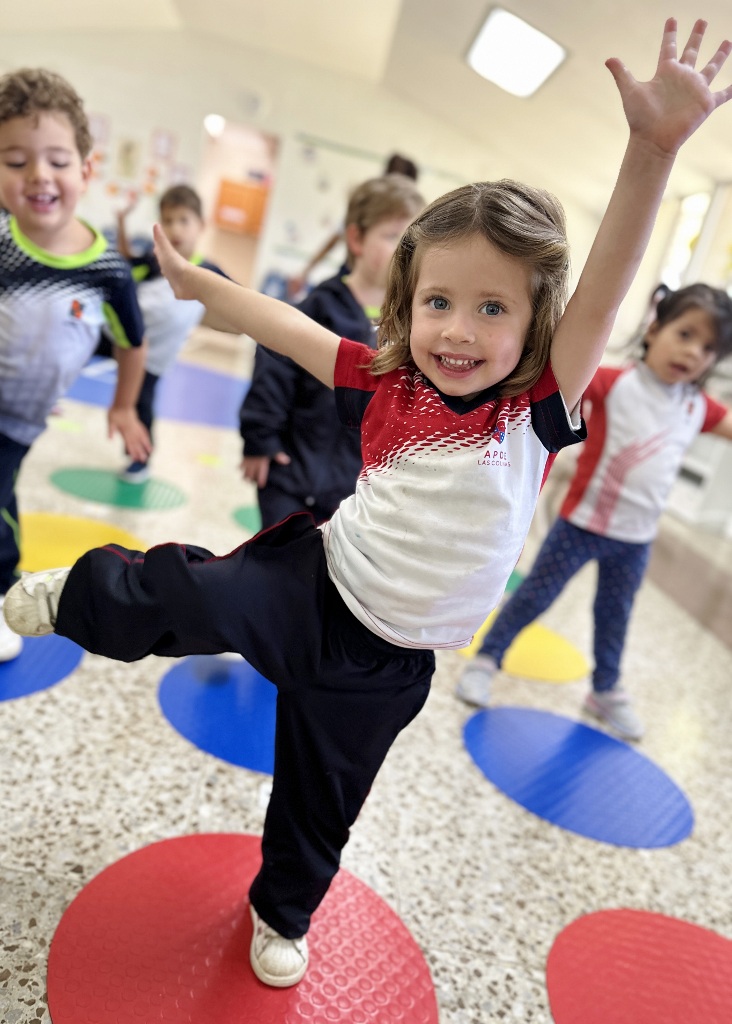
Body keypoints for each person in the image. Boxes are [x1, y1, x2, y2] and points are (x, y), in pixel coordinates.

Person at [5, 19, 731, 988]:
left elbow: (601, 292)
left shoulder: (531, 411)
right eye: (438, 302)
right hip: (316, 582)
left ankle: (281, 911)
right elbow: (287, 327)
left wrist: (653, 153)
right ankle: (73, 595)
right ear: (407, 304)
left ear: (534, 326)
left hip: (389, 663)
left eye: (492, 308)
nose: (458, 329)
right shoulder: (390, 379)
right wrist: (198, 284)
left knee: (324, 800)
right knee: (191, 594)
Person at [456, 283, 732, 740]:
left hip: (636, 539)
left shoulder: (696, 406)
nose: (693, 352)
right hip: (581, 524)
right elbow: (556, 379)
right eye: (685, 334)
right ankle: (487, 658)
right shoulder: (613, 382)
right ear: (654, 329)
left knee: (615, 614)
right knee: (537, 595)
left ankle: (605, 690)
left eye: (708, 348)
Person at [0, 67, 150, 660]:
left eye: (57, 161)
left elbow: (132, 341)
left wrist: (125, 406)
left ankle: (3, 585)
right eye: (16, 161)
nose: (39, 174)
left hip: (21, 417)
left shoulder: (106, 270)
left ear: (85, 171)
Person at [240, 173, 424, 527]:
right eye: (392, 236)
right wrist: (260, 439)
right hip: (291, 476)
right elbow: (273, 366)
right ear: (356, 239)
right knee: (283, 557)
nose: (405, 251)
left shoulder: (414, 324)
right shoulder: (321, 307)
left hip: (355, 495)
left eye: (412, 241)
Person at [114, 184, 228, 483]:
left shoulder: (208, 271)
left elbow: (240, 301)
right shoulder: (155, 262)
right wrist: (121, 221)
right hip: (130, 345)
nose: (175, 228)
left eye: (183, 220)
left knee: (142, 404)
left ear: (201, 225)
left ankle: (140, 457)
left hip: (157, 357)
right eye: (168, 220)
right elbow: (126, 263)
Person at [286, 152, 419, 299]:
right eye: (392, 236)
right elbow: (333, 240)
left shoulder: (413, 214)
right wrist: (306, 271)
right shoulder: (367, 208)